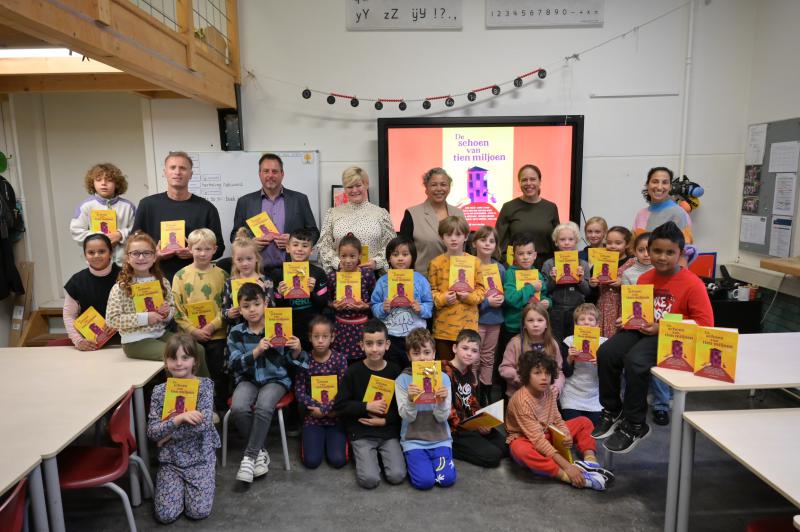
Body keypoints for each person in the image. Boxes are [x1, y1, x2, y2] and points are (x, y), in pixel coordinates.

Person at [594, 222, 713, 453]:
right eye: (657, 251)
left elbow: (705, 324)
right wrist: (627, 318)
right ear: (649, 250)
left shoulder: (693, 284)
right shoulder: (646, 278)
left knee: (636, 361)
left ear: (680, 254)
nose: (662, 257)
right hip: (642, 330)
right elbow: (641, 310)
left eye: (670, 252)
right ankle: (612, 409)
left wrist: (662, 327)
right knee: (606, 352)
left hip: (672, 337)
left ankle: (635, 424)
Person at [227, 282, 306, 482]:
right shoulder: (236, 332)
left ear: (266, 303)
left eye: (256, 304)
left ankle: (249, 457)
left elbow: (294, 361)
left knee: (263, 406)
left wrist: (297, 349)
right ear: (240, 309)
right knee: (238, 407)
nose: (252, 310)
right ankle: (259, 452)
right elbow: (234, 364)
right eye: (246, 306)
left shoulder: (278, 325)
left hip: (276, 379)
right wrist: (256, 351)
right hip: (248, 379)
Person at [506, 350, 613, 491]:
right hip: (527, 438)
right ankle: (567, 477)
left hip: (548, 433)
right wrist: (567, 467)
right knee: (519, 450)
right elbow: (537, 440)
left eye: (547, 373)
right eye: (537, 373)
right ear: (527, 375)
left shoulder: (548, 391)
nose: (544, 378)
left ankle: (590, 463)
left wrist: (564, 433)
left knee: (584, 422)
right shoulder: (521, 400)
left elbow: (557, 418)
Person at [106, 232, 210, 375]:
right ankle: (181, 396)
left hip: (160, 333)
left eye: (147, 253)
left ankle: (205, 394)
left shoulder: (162, 281)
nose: (141, 257)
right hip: (135, 341)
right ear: (127, 258)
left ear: (154, 257)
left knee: (198, 350)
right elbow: (112, 320)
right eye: (135, 253)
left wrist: (166, 313)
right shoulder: (121, 287)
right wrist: (146, 317)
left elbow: (172, 308)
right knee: (176, 357)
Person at [147, 334, 220, 524]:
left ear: (195, 361)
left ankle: (208, 473)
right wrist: (178, 419)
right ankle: (179, 485)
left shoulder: (204, 386)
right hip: (171, 460)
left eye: (185, 358)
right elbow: (152, 432)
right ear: (166, 361)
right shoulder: (159, 391)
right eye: (173, 358)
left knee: (198, 512)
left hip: (200, 457)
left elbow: (204, 425)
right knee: (165, 515)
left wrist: (169, 434)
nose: (179, 363)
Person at [333, 319, 406, 489]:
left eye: (379, 343)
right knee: (370, 480)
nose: (374, 349)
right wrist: (366, 406)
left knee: (397, 476)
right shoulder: (353, 371)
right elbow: (340, 406)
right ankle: (364, 455)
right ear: (361, 345)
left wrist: (386, 420)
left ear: (387, 345)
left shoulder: (395, 371)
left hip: (387, 432)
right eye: (369, 344)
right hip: (362, 432)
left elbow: (400, 408)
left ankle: (379, 456)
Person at [132, 151, 224, 282]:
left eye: (183, 168)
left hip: (195, 281)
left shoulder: (206, 208)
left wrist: (194, 253)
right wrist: (154, 255)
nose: (177, 172)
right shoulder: (147, 205)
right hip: (154, 279)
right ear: (165, 172)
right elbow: (133, 246)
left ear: (190, 174)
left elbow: (219, 248)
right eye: (172, 167)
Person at [171, 228, 230, 413]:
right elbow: (177, 309)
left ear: (215, 249)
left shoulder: (222, 275)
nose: (202, 253)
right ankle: (195, 411)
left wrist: (213, 326)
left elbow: (227, 306)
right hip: (190, 338)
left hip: (218, 336)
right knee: (192, 375)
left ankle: (218, 413)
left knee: (218, 375)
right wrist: (193, 330)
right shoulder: (180, 276)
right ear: (189, 249)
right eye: (197, 249)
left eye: (207, 249)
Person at [230, 153, 319, 271]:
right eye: (266, 171)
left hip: (292, 269)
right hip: (256, 271)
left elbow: (314, 232)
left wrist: (294, 240)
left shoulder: (299, 199)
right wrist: (250, 244)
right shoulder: (245, 202)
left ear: (282, 174)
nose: (270, 175)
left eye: (275, 171)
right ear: (259, 174)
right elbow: (234, 236)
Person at [395, 328, 456, 489]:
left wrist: (442, 402)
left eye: (427, 352)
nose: (422, 357)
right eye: (416, 353)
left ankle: (434, 460)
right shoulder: (402, 380)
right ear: (408, 356)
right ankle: (418, 462)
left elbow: (443, 418)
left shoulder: (443, 378)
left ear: (434, 353)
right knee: (424, 482)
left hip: (440, 438)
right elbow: (406, 417)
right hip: (413, 440)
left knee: (446, 480)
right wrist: (411, 400)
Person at [620, 232, 669, 426]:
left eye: (650, 250)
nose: (647, 254)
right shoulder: (630, 273)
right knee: (626, 361)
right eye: (641, 250)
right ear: (634, 251)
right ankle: (628, 403)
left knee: (658, 369)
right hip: (636, 326)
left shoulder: (665, 273)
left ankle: (661, 406)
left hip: (660, 329)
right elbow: (627, 303)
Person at [443, 329, 507, 467]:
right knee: (493, 457)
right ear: (455, 348)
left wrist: (482, 422)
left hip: (470, 425)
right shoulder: (444, 371)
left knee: (505, 447)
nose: (469, 353)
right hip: (454, 430)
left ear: (478, 354)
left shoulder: (470, 375)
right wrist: (470, 428)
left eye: (474, 351)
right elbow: (446, 409)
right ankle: (451, 449)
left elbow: (473, 403)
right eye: (465, 348)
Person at [370, 236, 433, 370]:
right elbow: (374, 306)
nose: (400, 258)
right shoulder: (382, 281)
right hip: (392, 337)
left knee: (418, 372)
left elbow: (430, 305)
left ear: (413, 257)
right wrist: (382, 307)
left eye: (405, 254)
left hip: (417, 337)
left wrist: (420, 308)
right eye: (395, 254)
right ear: (388, 258)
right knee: (393, 371)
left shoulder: (421, 280)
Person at [428, 216, 486, 360]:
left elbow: (482, 291)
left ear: (466, 236)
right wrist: (443, 298)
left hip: (468, 329)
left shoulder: (475, 262)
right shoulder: (435, 263)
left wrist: (469, 297)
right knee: (445, 370)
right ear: (442, 237)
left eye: (458, 234)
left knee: (466, 370)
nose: (453, 239)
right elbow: (430, 292)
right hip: (443, 329)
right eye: (448, 235)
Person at [294, 316, 348, 469]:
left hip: (335, 416)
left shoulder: (340, 359)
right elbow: (299, 390)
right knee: (311, 461)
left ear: (332, 337)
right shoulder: (304, 359)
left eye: (325, 336)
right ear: (310, 337)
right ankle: (311, 438)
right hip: (313, 416)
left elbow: (344, 390)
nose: (320, 341)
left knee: (338, 460)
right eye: (316, 336)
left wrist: (326, 410)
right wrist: (316, 408)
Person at [318, 166, 396, 273]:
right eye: (350, 187)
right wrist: (338, 264)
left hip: (373, 276)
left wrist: (376, 262)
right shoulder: (333, 214)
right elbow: (324, 246)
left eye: (358, 185)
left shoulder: (381, 214)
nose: (354, 190)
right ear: (345, 188)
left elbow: (391, 245)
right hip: (342, 277)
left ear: (366, 185)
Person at [398, 167, 467, 275]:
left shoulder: (459, 213)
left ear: (449, 188)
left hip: (456, 278)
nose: (439, 189)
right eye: (434, 185)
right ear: (426, 188)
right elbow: (403, 250)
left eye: (443, 184)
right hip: (423, 280)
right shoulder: (412, 214)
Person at [502, 232, 552, 378]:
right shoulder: (510, 273)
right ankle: (511, 396)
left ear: (535, 255)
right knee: (514, 362)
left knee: (533, 362)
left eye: (529, 253)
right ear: (514, 256)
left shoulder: (538, 274)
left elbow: (544, 296)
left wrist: (547, 303)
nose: (525, 257)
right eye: (521, 254)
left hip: (534, 330)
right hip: (514, 327)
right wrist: (531, 287)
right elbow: (511, 299)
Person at [271, 228, 329, 352]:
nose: (299, 249)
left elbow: (323, 304)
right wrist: (280, 294)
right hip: (289, 328)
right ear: (287, 248)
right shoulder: (278, 274)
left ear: (311, 250)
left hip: (312, 328)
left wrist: (312, 291)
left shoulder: (318, 273)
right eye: (295, 244)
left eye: (305, 246)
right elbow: (275, 309)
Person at [70, 163, 136, 266]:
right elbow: (76, 231)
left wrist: (120, 234)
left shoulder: (128, 206)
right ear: (92, 183)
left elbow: (137, 230)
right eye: (98, 179)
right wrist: (100, 238)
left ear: (117, 184)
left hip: (124, 263)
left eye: (109, 180)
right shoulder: (85, 206)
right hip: (97, 264)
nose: (103, 183)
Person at [495, 164, 560, 268]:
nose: (528, 183)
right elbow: (499, 242)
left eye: (533, 179)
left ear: (540, 181)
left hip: (545, 267)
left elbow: (557, 242)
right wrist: (506, 266)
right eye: (524, 180)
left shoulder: (551, 208)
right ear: (519, 183)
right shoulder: (508, 207)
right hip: (516, 267)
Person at [63, 233, 121, 349]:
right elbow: (69, 315)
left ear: (111, 253)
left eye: (102, 251)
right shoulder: (77, 281)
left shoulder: (125, 276)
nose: (96, 255)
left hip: (123, 341)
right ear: (85, 255)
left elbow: (136, 310)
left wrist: (120, 323)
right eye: (91, 252)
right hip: (91, 344)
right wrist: (79, 341)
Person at [470, 225, 506, 403]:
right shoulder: (469, 266)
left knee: (488, 357)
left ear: (496, 246)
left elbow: (504, 291)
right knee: (474, 356)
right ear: (474, 243)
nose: (487, 244)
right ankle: (473, 390)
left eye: (491, 241)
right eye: (483, 240)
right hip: (476, 319)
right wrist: (486, 302)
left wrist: (502, 299)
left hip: (495, 320)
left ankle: (486, 393)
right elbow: (467, 296)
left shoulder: (500, 268)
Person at [499, 301, 564, 399]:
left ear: (546, 324)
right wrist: (523, 378)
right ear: (524, 324)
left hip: (546, 397)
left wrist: (557, 387)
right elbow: (504, 368)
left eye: (540, 320)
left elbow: (558, 370)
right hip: (520, 395)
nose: (535, 324)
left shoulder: (552, 344)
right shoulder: (515, 343)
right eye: (530, 320)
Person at [328, 234, 376, 363]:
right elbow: (327, 301)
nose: (348, 260)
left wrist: (365, 306)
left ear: (360, 256)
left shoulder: (367, 274)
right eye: (343, 256)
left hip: (362, 327)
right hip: (340, 328)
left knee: (363, 361)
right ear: (339, 256)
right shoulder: (333, 276)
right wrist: (334, 305)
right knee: (342, 361)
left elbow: (376, 300)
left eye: (352, 256)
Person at [542, 221, 592, 341]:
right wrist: (553, 280)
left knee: (574, 343)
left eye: (571, 239)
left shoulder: (583, 264)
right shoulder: (549, 264)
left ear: (576, 241)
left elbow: (588, 292)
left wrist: (580, 280)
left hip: (577, 311)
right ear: (556, 242)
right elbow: (543, 291)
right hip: (555, 311)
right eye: (562, 239)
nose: (566, 243)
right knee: (555, 342)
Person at [560, 304, 607, 426]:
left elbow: (610, 377)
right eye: (582, 319)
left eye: (591, 319)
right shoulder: (569, 341)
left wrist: (602, 363)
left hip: (594, 395)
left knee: (593, 426)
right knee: (573, 424)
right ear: (576, 324)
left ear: (597, 325)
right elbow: (565, 372)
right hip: (572, 394)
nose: (586, 323)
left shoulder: (605, 344)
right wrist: (570, 358)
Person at [221, 228, 275, 333]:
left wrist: (263, 292)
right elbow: (224, 311)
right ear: (234, 260)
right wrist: (229, 314)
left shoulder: (266, 282)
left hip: (262, 332)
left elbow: (272, 310)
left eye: (249, 259)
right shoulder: (229, 283)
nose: (245, 263)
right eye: (239, 260)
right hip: (237, 334)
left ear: (257, 258)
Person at [588, 226, 636, 338]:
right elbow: (591, 293)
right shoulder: (599, 262)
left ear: (627, 244)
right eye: (609, 243)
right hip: (602, 307)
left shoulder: (633, 263)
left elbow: (640, 289)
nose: (613, 246)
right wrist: (593, 284)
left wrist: (622, 284)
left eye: (618, 243)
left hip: (622, 309)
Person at [633, 167, 693, 243]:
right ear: (647, 185)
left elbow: (686, 248)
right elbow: (633, 245)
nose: (659, 187)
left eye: (665, 182)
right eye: (655, 182)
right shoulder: (641, 214)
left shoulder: (679, 213)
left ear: (670, 187)